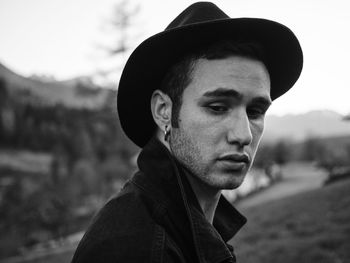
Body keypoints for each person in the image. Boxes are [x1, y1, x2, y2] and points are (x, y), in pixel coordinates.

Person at [71, 2, 303, 262]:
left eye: (255, 111)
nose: (244, 135)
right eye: (217, 107)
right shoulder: (134, 248)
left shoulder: (187, 224)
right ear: (163, 112)